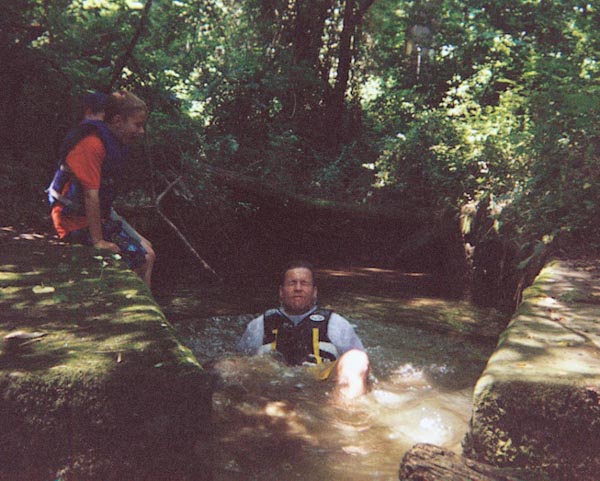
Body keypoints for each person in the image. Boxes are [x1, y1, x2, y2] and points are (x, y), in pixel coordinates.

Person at [47, 91, 156, 287]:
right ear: (117, 121)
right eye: (137, 125)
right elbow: (90, 196)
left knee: (149, 254)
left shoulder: (111, 143)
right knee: (140, 260)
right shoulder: (91, 145)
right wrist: (98, 242)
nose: (141, 131)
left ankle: (152, 310)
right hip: (72, 221)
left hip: (95, 216)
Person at [238, 260, 370, 399]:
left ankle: (346, 413)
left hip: (320, 378)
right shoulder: (259, 325)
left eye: (304, 283)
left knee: (357, 358)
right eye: (292, 283)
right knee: (226, 365)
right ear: (281, 292)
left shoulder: (336, 324)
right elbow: (241, 362)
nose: (298, 288)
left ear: (314, 292)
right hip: (271, 378)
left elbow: (363, 368)